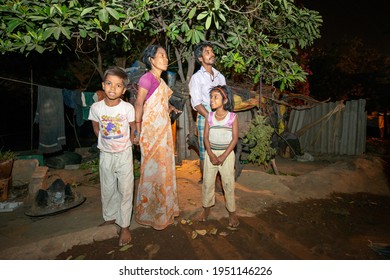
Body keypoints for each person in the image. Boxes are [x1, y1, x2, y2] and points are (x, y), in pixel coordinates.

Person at [133, 44, 180, 230]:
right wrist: (136, 130)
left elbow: (162, 103)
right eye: (161, 55)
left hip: (164, 135)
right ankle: (149, 213)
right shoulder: (147, 79)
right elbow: (139, 104)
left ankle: (164, 211)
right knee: (152, 173)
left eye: (166, 56)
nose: (165, 59)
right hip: (151, 135)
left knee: (164, 172)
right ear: (151, 60)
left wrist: (171, 109)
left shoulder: (162, 82)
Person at [88, 66, 136, 246]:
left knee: (125, 189)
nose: (112, 88)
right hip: (106, 154)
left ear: (123, 91)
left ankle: (124, 225)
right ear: (103, 84)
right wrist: (103, 141)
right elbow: (95, 126)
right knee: (107, 188)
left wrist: (133, 138)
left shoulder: (127, 108)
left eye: (118, 86)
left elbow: (132, 127)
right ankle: (109, 217)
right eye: (109, 84)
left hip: (124, 154)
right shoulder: (96, 107)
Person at [198, 85, 239, 228]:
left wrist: (223, 156)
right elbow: (206, 137)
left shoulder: (232, 117)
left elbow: (234, 139)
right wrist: (210, 153)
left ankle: (232, 212)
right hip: (211, 155)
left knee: (228, 184)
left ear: (225, 100)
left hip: (226, 156)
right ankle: (206, 209)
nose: (211, 100)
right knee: (208, 182)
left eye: (216, 97)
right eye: (211, 97)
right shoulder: (209, 116)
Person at [189, 41, 226, 184]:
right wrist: (210, 117)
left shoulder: (219, 76)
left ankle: (218, 181)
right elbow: (197, 103)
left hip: (221, 113)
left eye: (212, 51)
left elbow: (225, 97)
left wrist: (221, 115)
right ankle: (206, 181)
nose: (212, 54)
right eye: (207, 52)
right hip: (205, 115)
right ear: (200, 58)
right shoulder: (196, 78)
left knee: (220, 147)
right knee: (205, 150)